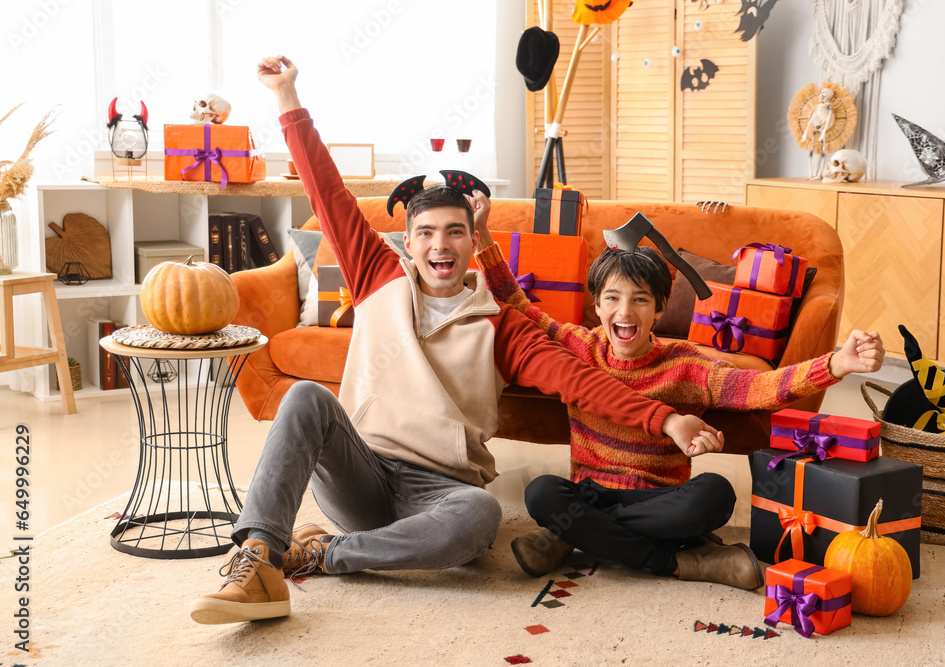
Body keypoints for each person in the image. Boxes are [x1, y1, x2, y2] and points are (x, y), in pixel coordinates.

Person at [188, 56, 728, 625]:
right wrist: (286, 96)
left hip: (442, 492)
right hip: (361, 473)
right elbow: (327, 194)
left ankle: (322, 554)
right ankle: (259, 561)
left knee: (481, 516)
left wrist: (667, 419)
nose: (439, 244)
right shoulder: (377, 275)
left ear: (473, 241)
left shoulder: (502, 324)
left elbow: (581, 381)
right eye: (425, 233)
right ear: (409, 242)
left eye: (454, 232)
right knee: (304, 397)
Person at [470, 195, 884, 586]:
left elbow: (759, 387)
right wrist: (482, 233)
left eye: (640, 300)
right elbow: (516, 304)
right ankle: (684, 561)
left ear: (660, 309)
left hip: (659, 500)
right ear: (596, 306)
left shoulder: (686, 363)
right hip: (589, 494)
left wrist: (836, 364)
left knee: (715, 495)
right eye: (612, 298)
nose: (625, 312)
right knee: (542, 493)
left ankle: (570, 536)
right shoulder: (580, 346)